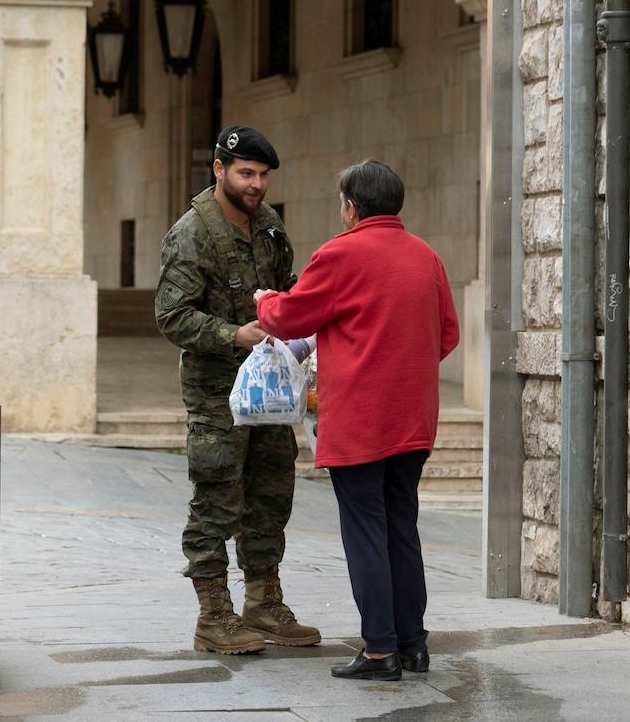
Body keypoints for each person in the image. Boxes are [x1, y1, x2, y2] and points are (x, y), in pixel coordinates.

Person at [254, 159, 458, 681]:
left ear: (351, 207)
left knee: (365, 531)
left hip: (361, 421)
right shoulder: (426, 257)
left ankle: (379, 651)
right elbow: (448, 334)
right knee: (401, 529)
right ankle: (414, 646)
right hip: (413, 419)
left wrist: (264, 299)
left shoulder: (340, 253)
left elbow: (290, 316)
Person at [155, 125, 321, 656]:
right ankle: (214, 615)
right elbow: (171, 316)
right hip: (216, 394)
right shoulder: (193, 233)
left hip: (270, 391)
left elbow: (289, 291)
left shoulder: (270, 226)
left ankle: (264, 602)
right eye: (246, 173)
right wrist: (233, 334)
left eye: (263, 175)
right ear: (220, 170)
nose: (256, 184)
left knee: (272, 493)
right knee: (217, 498)